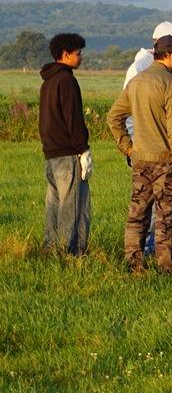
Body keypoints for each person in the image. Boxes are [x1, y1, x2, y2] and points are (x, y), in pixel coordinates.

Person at [107, 35, 172, 274]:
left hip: (140, 158)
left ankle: (133, 263)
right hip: (166, 162)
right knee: (166, 216)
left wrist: (129, 148)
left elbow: (113, 117)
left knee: (137, 214)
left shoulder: (136, 81)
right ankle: (165, 266)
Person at [39, 33, 92, 256]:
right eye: (78, 54)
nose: (81, 58)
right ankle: (69, 255)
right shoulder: (67, 81)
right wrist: (83, 149)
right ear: (65, 54)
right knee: (74, 209)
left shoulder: (48, 82)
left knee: (53, 208)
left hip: (50, 155)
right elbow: (73, 119)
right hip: (68, 155)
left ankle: (50, 252)